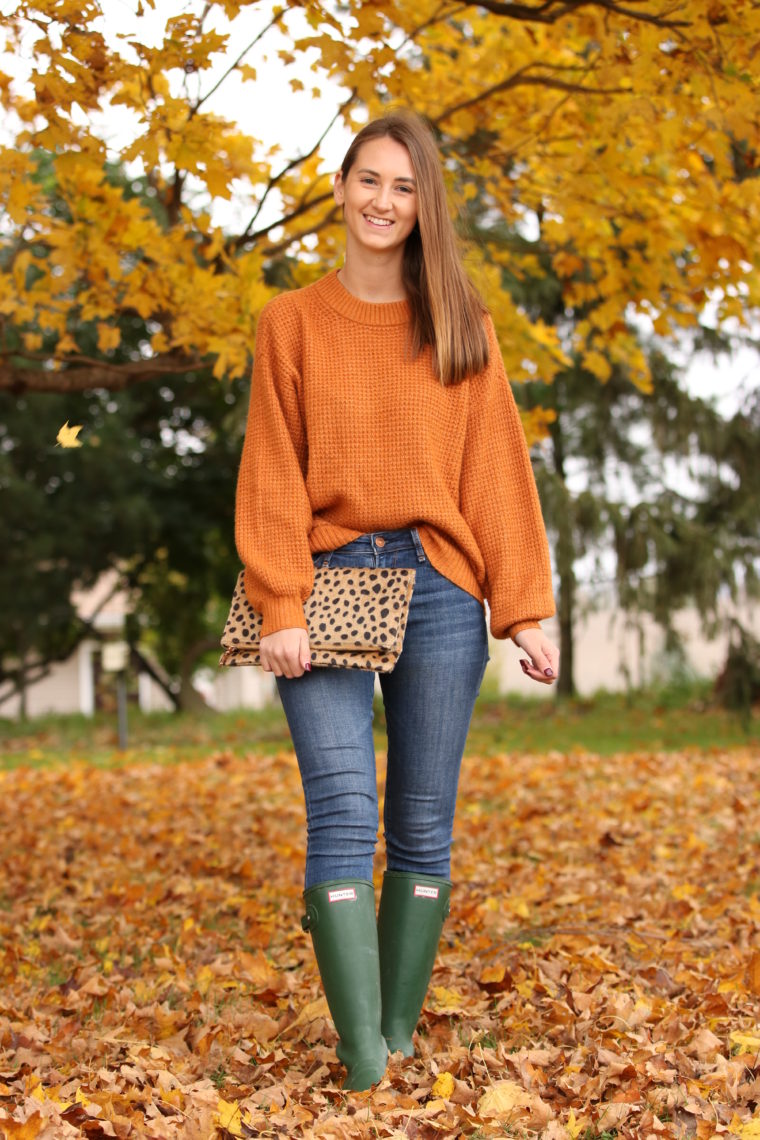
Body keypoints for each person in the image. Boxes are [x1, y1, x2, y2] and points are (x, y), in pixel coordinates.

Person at [234, 109, 559, 1090]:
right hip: (327, 581)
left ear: (425, 207)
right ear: (339, 188)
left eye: (403, 187)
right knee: (340, 810)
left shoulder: (462, 329)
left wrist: (524, 606)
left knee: (421, 823)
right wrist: (281, 604)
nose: (382, 201)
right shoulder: (286, 322)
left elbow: (495, 475)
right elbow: (270, 474)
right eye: (368, 180)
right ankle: (366, 1062)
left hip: (439, 586)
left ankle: (399, 1035)